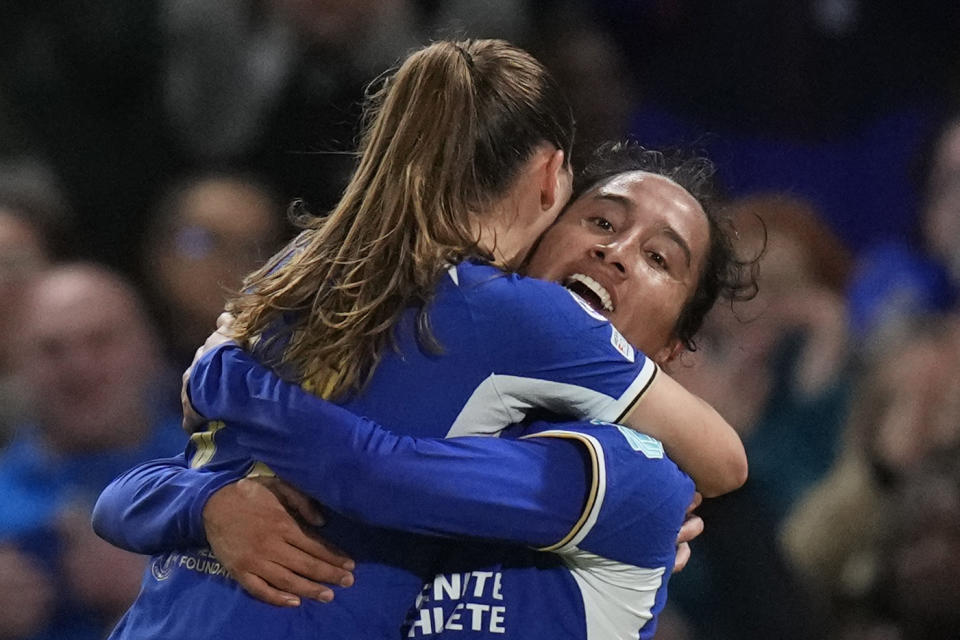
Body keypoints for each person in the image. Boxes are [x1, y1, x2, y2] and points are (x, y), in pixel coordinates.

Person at [94, 37, 746, 640]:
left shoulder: (624, 475)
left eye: (661, 259)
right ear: (550, 187)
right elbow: (126, 496)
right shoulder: (476, 342)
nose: (616, 253)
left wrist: (228, 378)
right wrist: (209, 504)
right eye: (601, 219)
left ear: (669, 355)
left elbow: (377, 474)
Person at [0, 264, 186, 640]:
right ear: (18, 365)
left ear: (149, 350)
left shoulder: (220, 477)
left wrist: (162, 589)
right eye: (52, 350)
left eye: (101, 341)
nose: (79, 368)